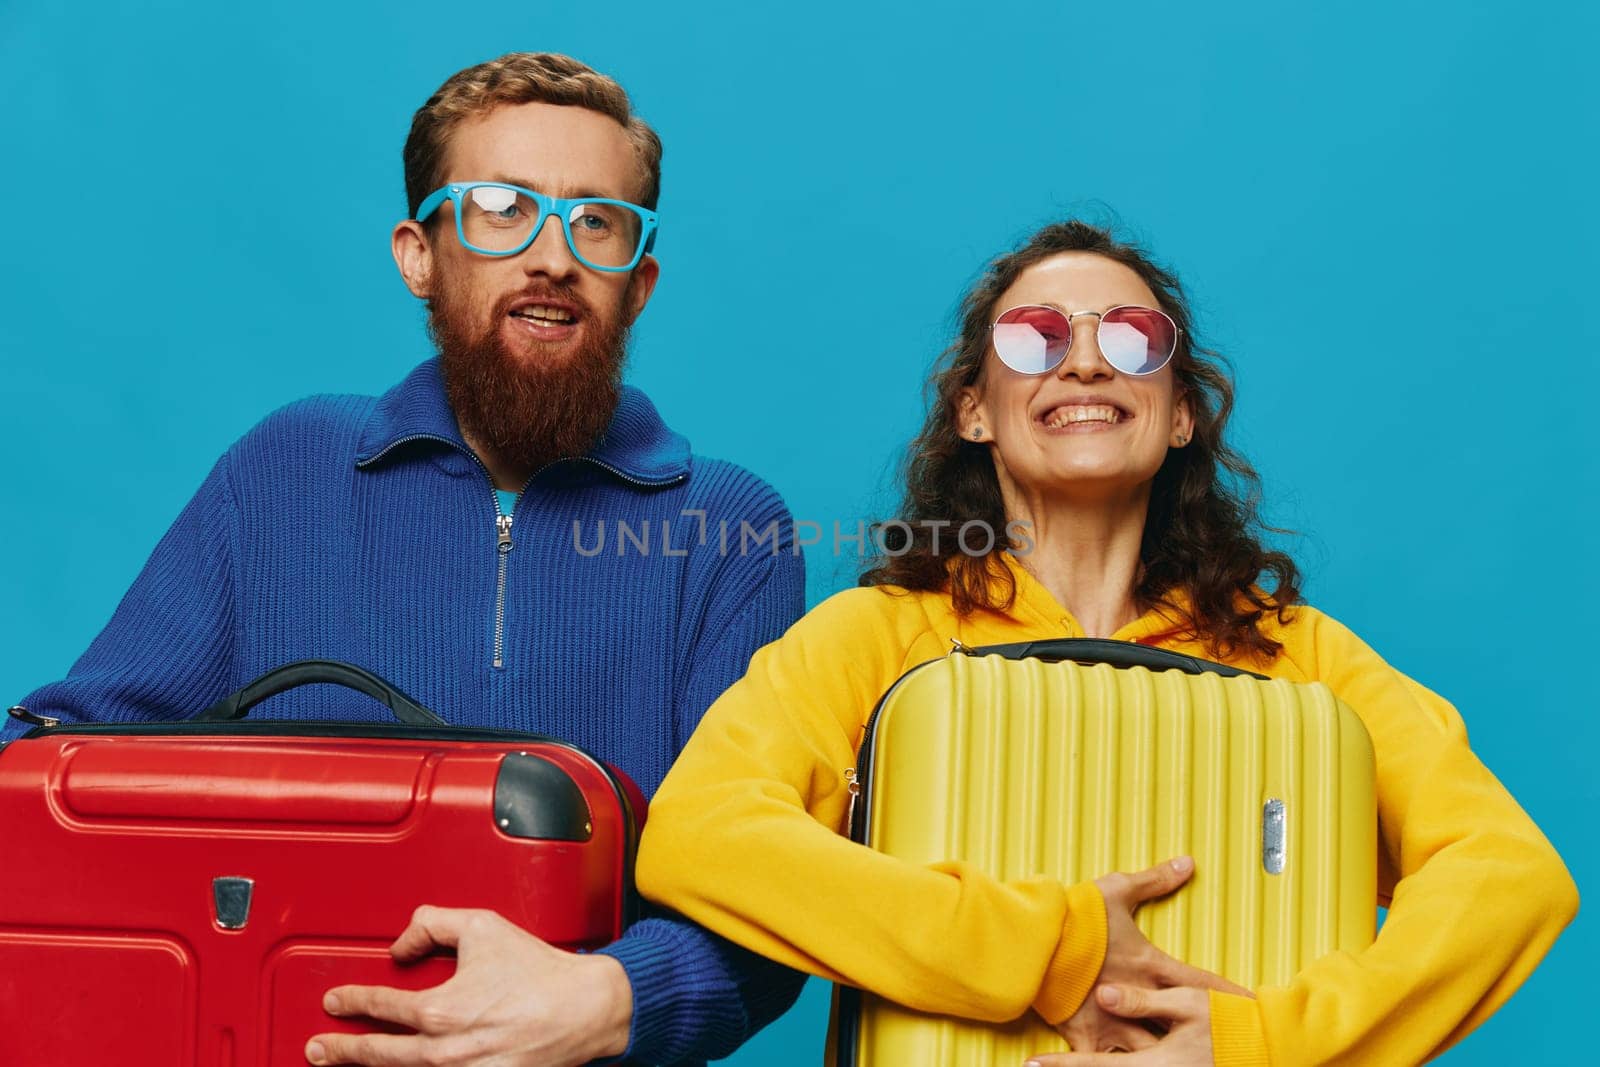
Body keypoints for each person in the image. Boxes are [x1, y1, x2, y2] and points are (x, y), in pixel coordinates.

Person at [1, 53, 807, 1066]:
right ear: (418, 255)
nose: (552, 256)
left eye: (595, 221)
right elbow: (57, 761)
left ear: (636, 283)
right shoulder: (283, 472)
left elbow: (774, 898)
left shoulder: (728, 530)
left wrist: (608, 997)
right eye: (501, 208)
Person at [635, 220, 1579, 1064]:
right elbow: (700, 836)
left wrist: (1263, 1043)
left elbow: (1510, 876)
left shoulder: (1299, 659)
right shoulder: (880, 637)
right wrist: (1055, 947)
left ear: (1180, 415)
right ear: (974, 411)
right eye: (1035, 335)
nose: (1084, 363)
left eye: (1131, 338)